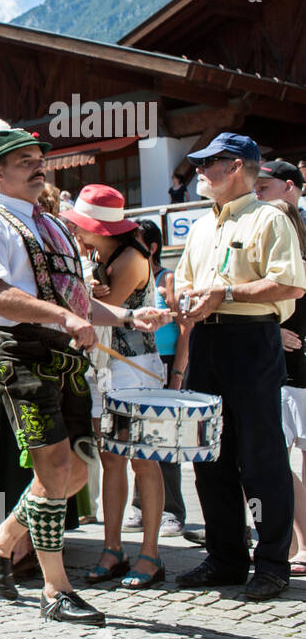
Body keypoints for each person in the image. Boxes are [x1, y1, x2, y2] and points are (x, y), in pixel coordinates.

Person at [0, 127, 168, 626]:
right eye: (26, 160)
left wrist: (124, 318)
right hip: (23, 353)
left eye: (40, 159)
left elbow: (76, 299)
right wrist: (63, 318)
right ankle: (56, 590)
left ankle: (1, 539)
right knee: (54, 471)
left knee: (77, 471)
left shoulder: (54, 227)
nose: (39, 166)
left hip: (67, 356)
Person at [174, 133, 306, 601]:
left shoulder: (270, 218)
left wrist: (225, 294)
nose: (199, 173)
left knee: (261, 454)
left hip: (250, 341)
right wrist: (182, 302)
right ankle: (226, 557)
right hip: (208, 339)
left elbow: (289, 285)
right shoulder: (202, 224)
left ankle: (272, 563)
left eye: (208, 164)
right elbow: (189, 284)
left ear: (234, 167)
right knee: (208, 454)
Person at [61, 185, 167, 589]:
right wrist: (87, 282)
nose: (76, 234)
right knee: (111, 459)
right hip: (104, 368)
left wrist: (84, 290)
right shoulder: (98, 256)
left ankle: (151, 553)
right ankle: (113, 547)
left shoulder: (132, 258)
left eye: (81, 228)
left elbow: (99, 313)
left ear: (99, 230)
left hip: (133, 367)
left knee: (142, 459)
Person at [251, 196, 306, 575]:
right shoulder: (268, 269)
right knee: (274, 464)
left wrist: (275, 331)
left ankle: (299, 544)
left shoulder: (293, 270)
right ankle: (287, 543)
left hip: (294, 376)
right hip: (276, 374)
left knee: (285, 464)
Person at [126, 219, 185, 536]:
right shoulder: (129, 277)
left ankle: (172, 512)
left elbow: (185, 328)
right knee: (140, 440)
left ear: (151, 247)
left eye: (136, 240)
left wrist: (177, 372)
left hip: (164, 364)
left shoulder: (168, 278)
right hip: (137, 364)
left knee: (166, 441)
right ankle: (140, 507)